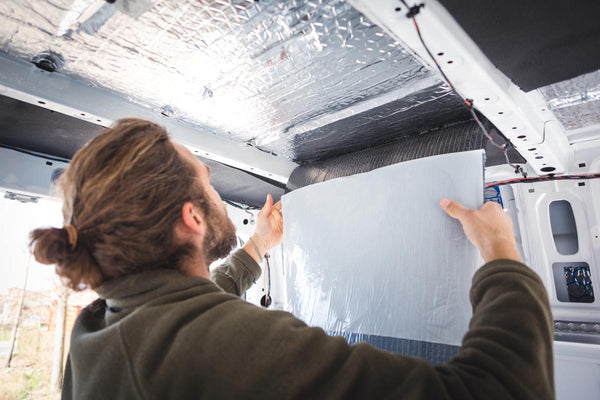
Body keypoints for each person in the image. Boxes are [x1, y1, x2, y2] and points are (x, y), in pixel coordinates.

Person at [31, 119, 554, 399]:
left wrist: (257, 248)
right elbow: (504, 390)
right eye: (209, 184)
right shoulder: (225, 346)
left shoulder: (98, 333)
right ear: (192, 219)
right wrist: (500, 251)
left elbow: (192, 303)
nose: (215, 194)